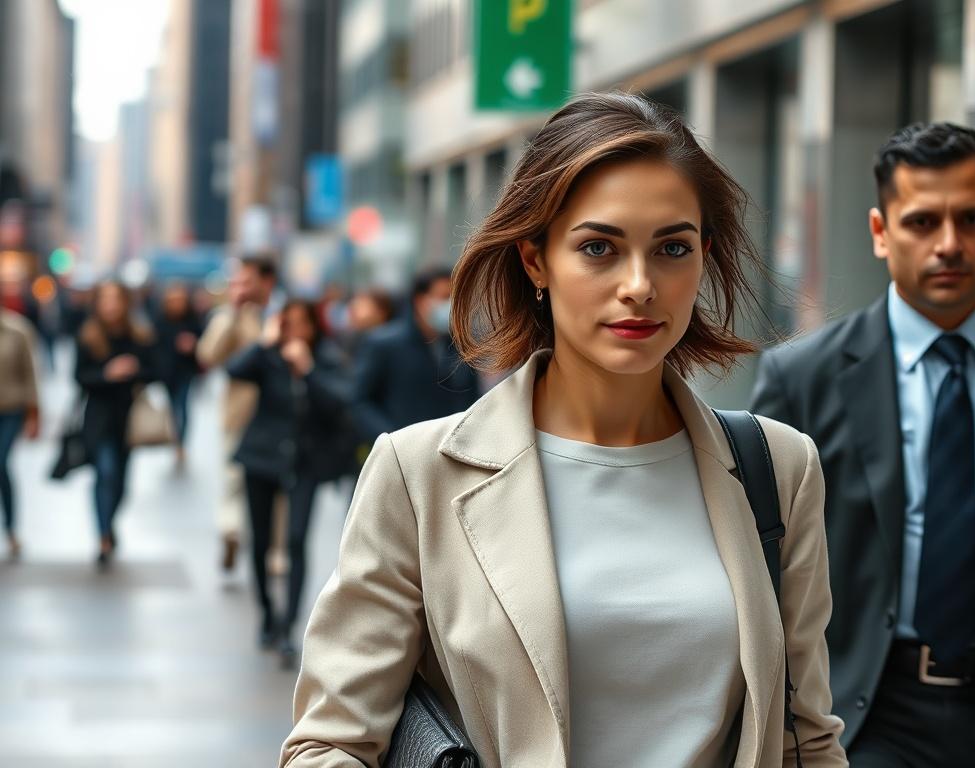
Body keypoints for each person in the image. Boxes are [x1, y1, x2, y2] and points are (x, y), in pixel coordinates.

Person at [281, 92, 845, 768]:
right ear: (535, 260)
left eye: (671, 247)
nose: (639, 285)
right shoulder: (418, 472)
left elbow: (807, 739)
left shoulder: (778, 467)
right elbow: (330, 743)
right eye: (599, 248)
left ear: (703, 258)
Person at [750, 122, 975, 767]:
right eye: (923, 222)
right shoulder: (802, 380)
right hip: (866, 716)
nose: (949, 245)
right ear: (880, 232)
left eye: (972, 220)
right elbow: (762, 568)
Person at [226, 299, 350, 667]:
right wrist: (265, 343)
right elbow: (235, 370)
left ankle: (288, 626)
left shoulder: (326, 359)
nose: (295, 332)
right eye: (288, 324)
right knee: (261, 540)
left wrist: (308, 371)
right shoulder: (267, 357)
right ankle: (266, 610)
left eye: (302, 324)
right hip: (262, 457)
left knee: (296, 539)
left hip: (305, 462)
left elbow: (339, 402)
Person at [197, 255, 278, 572]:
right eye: (236, 282)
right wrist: (232, 314)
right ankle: (230, 531)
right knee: (233, 477)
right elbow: (207, 355)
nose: (239, 287)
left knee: (278, 483)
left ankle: (273, 549)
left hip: (281, 412)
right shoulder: (229, 316)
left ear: (266, 281)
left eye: (246, 281)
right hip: (240, 413)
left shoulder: (286, 312)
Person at [75, 280, 156, 565]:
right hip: (98, 416)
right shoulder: (88, 335)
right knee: (104, 474)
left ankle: (109, 522)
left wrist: (134, 370)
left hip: (128, 418)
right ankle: (103, 535)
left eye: (115, 299)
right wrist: (107, 374)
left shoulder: (139, 334)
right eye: (105, 299)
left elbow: (156, 370)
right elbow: (80, 377)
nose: (110, 305)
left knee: (121, 482)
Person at [350, 267, 481, 442]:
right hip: (400, 456)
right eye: (444, 297)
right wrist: (391, 439)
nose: (452, 304)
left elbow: (472, 400)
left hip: (447, 453)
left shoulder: (461, 346)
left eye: (455, 297)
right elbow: (360, 401)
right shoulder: (384, 343)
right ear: (420, 301)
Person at [0, 308, 40, 557]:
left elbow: (31, 373)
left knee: (0, 462)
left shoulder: (18, 330)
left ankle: (12, 527)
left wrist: (35, 412)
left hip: (11, 409)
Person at [153, 282, 203, 468]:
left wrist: (192, 345)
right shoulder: (160, 321)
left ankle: (180, 442)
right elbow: (154, 346)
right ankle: (173, 437)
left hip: (185, 372)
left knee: (181, 406)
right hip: (166, 373)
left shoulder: (192, 321)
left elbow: (203, 344)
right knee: (171, 407)